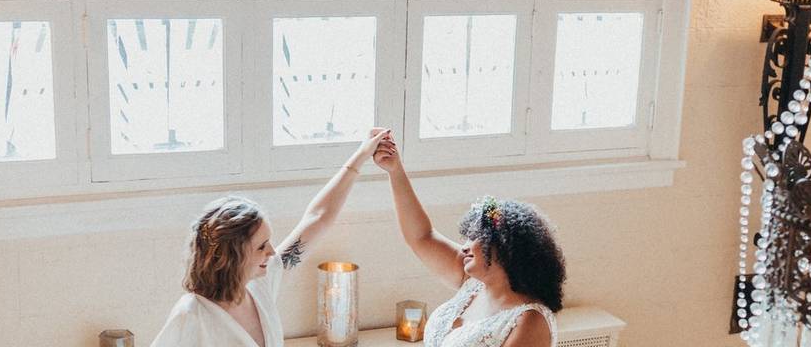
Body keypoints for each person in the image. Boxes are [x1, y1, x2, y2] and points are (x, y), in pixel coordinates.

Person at [150, 127, 391, 347]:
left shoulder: (260, 283)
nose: (272, 252)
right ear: (234, 253)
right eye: (261, 246)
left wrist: (361, 155)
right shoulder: (191, 315)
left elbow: (318, 217)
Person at [373, 134, 566, 347]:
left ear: (503, 246)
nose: (464, 246)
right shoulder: (472, 284)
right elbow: (420, 236)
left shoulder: (530, 320)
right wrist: (395, 170)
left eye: (474, 238)